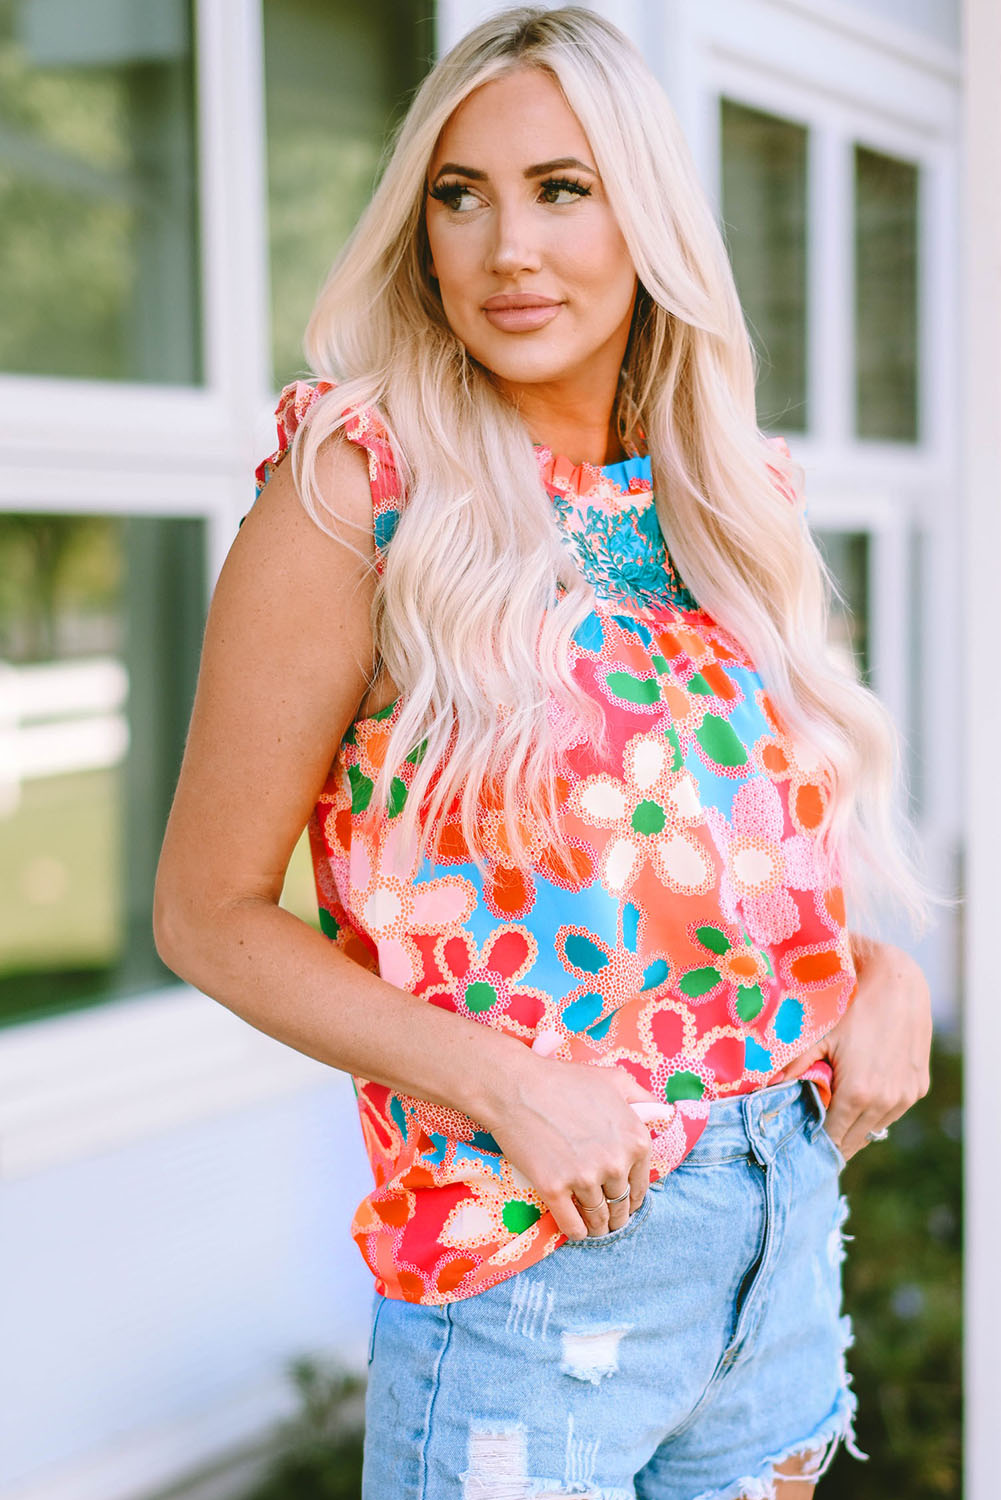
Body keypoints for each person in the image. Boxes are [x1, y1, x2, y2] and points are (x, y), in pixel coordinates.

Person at [153, 6, 935, 1496]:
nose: (506, 245)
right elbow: (207, 914)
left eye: (560, 188)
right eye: (462, 195)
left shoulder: (723, 502)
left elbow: (744, 872)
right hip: (527, 1280)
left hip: (770, 1260)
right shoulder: (361, 485)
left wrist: (876, 977)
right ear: (420, 232)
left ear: (643, 217)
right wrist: (508, 1087)